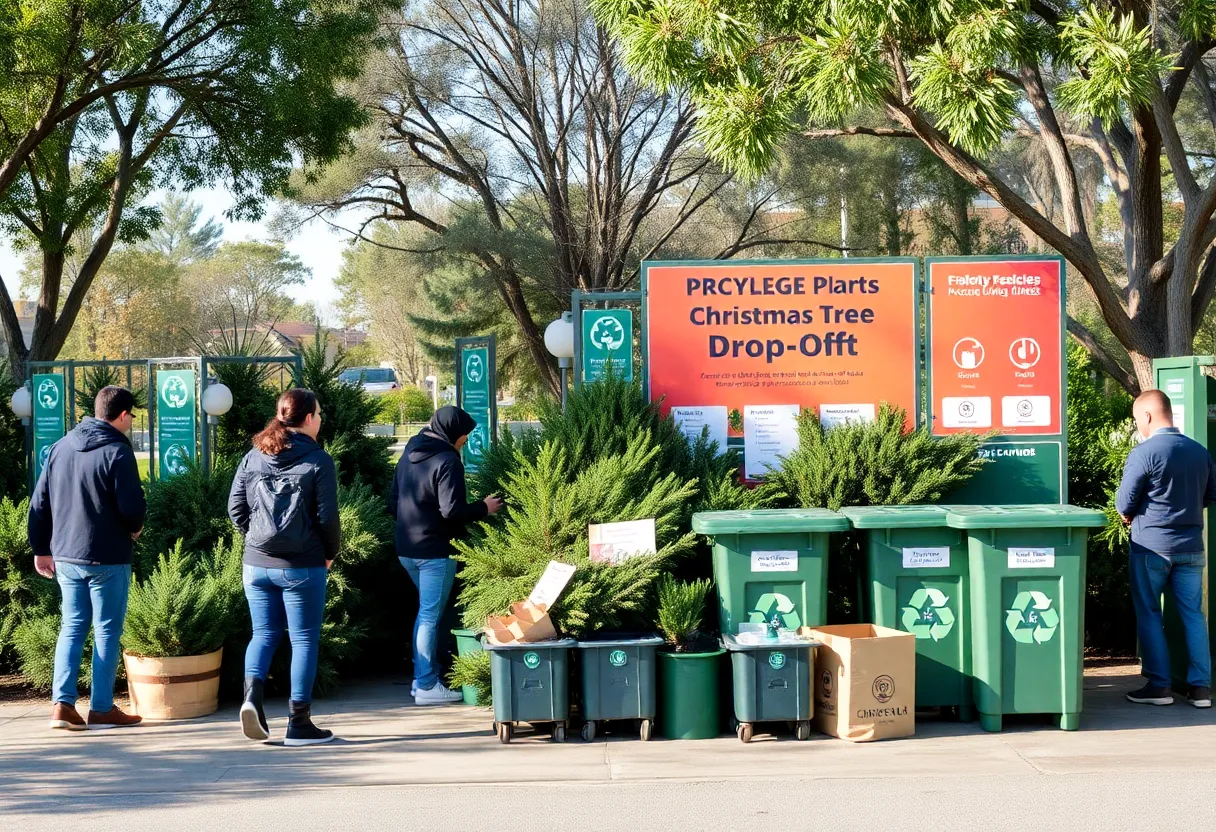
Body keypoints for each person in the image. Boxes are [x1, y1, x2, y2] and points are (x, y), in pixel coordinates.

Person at [29, 386, 147, 731]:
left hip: (66, 555)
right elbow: (132, 507)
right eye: (132, 416)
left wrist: (41, 548)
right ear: (123, 415)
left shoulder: (61, 448)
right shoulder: (117, 451)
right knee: (107, 630)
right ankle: (101, 707)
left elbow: (39, 505)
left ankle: (62, 706)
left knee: (72, 627)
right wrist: (136, 528)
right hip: (108, 555)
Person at [228, 388, 340, 745]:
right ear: (307, 419)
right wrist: (328, 552)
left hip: (255, 564)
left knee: (263, 635)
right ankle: (299, 723)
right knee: (304, 639)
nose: (320, 420)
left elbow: (235, 509)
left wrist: (258, 538)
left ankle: (251, 699)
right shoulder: (318, 461)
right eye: (318, 414)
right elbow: (327, 518)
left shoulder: (253, 456)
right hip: (303, 564)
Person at [390, 406, 503, 704]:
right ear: (453, 434)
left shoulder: (409, 451)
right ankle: (426, 685)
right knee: (429, 615)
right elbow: (451, 510)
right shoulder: (448, 461)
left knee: (426, 612)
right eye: (464, 436)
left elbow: (393, 501)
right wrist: (483, 508)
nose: (465, 440)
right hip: (435, 551)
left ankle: (422, 680)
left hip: (406, 549)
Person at [1116, 389, 1213, 709]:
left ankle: (1159, 686)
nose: (1137, 426)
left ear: (1147, 416)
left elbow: (1124, 502)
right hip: (1191, 548)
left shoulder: (1144, 453)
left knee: (1149, 613)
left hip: (1151, 549)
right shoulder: (1200, 452)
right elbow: (1211, 496)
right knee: (1193, 616)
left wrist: (1134, 513)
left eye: (1136, 419)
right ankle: (1200, 689)